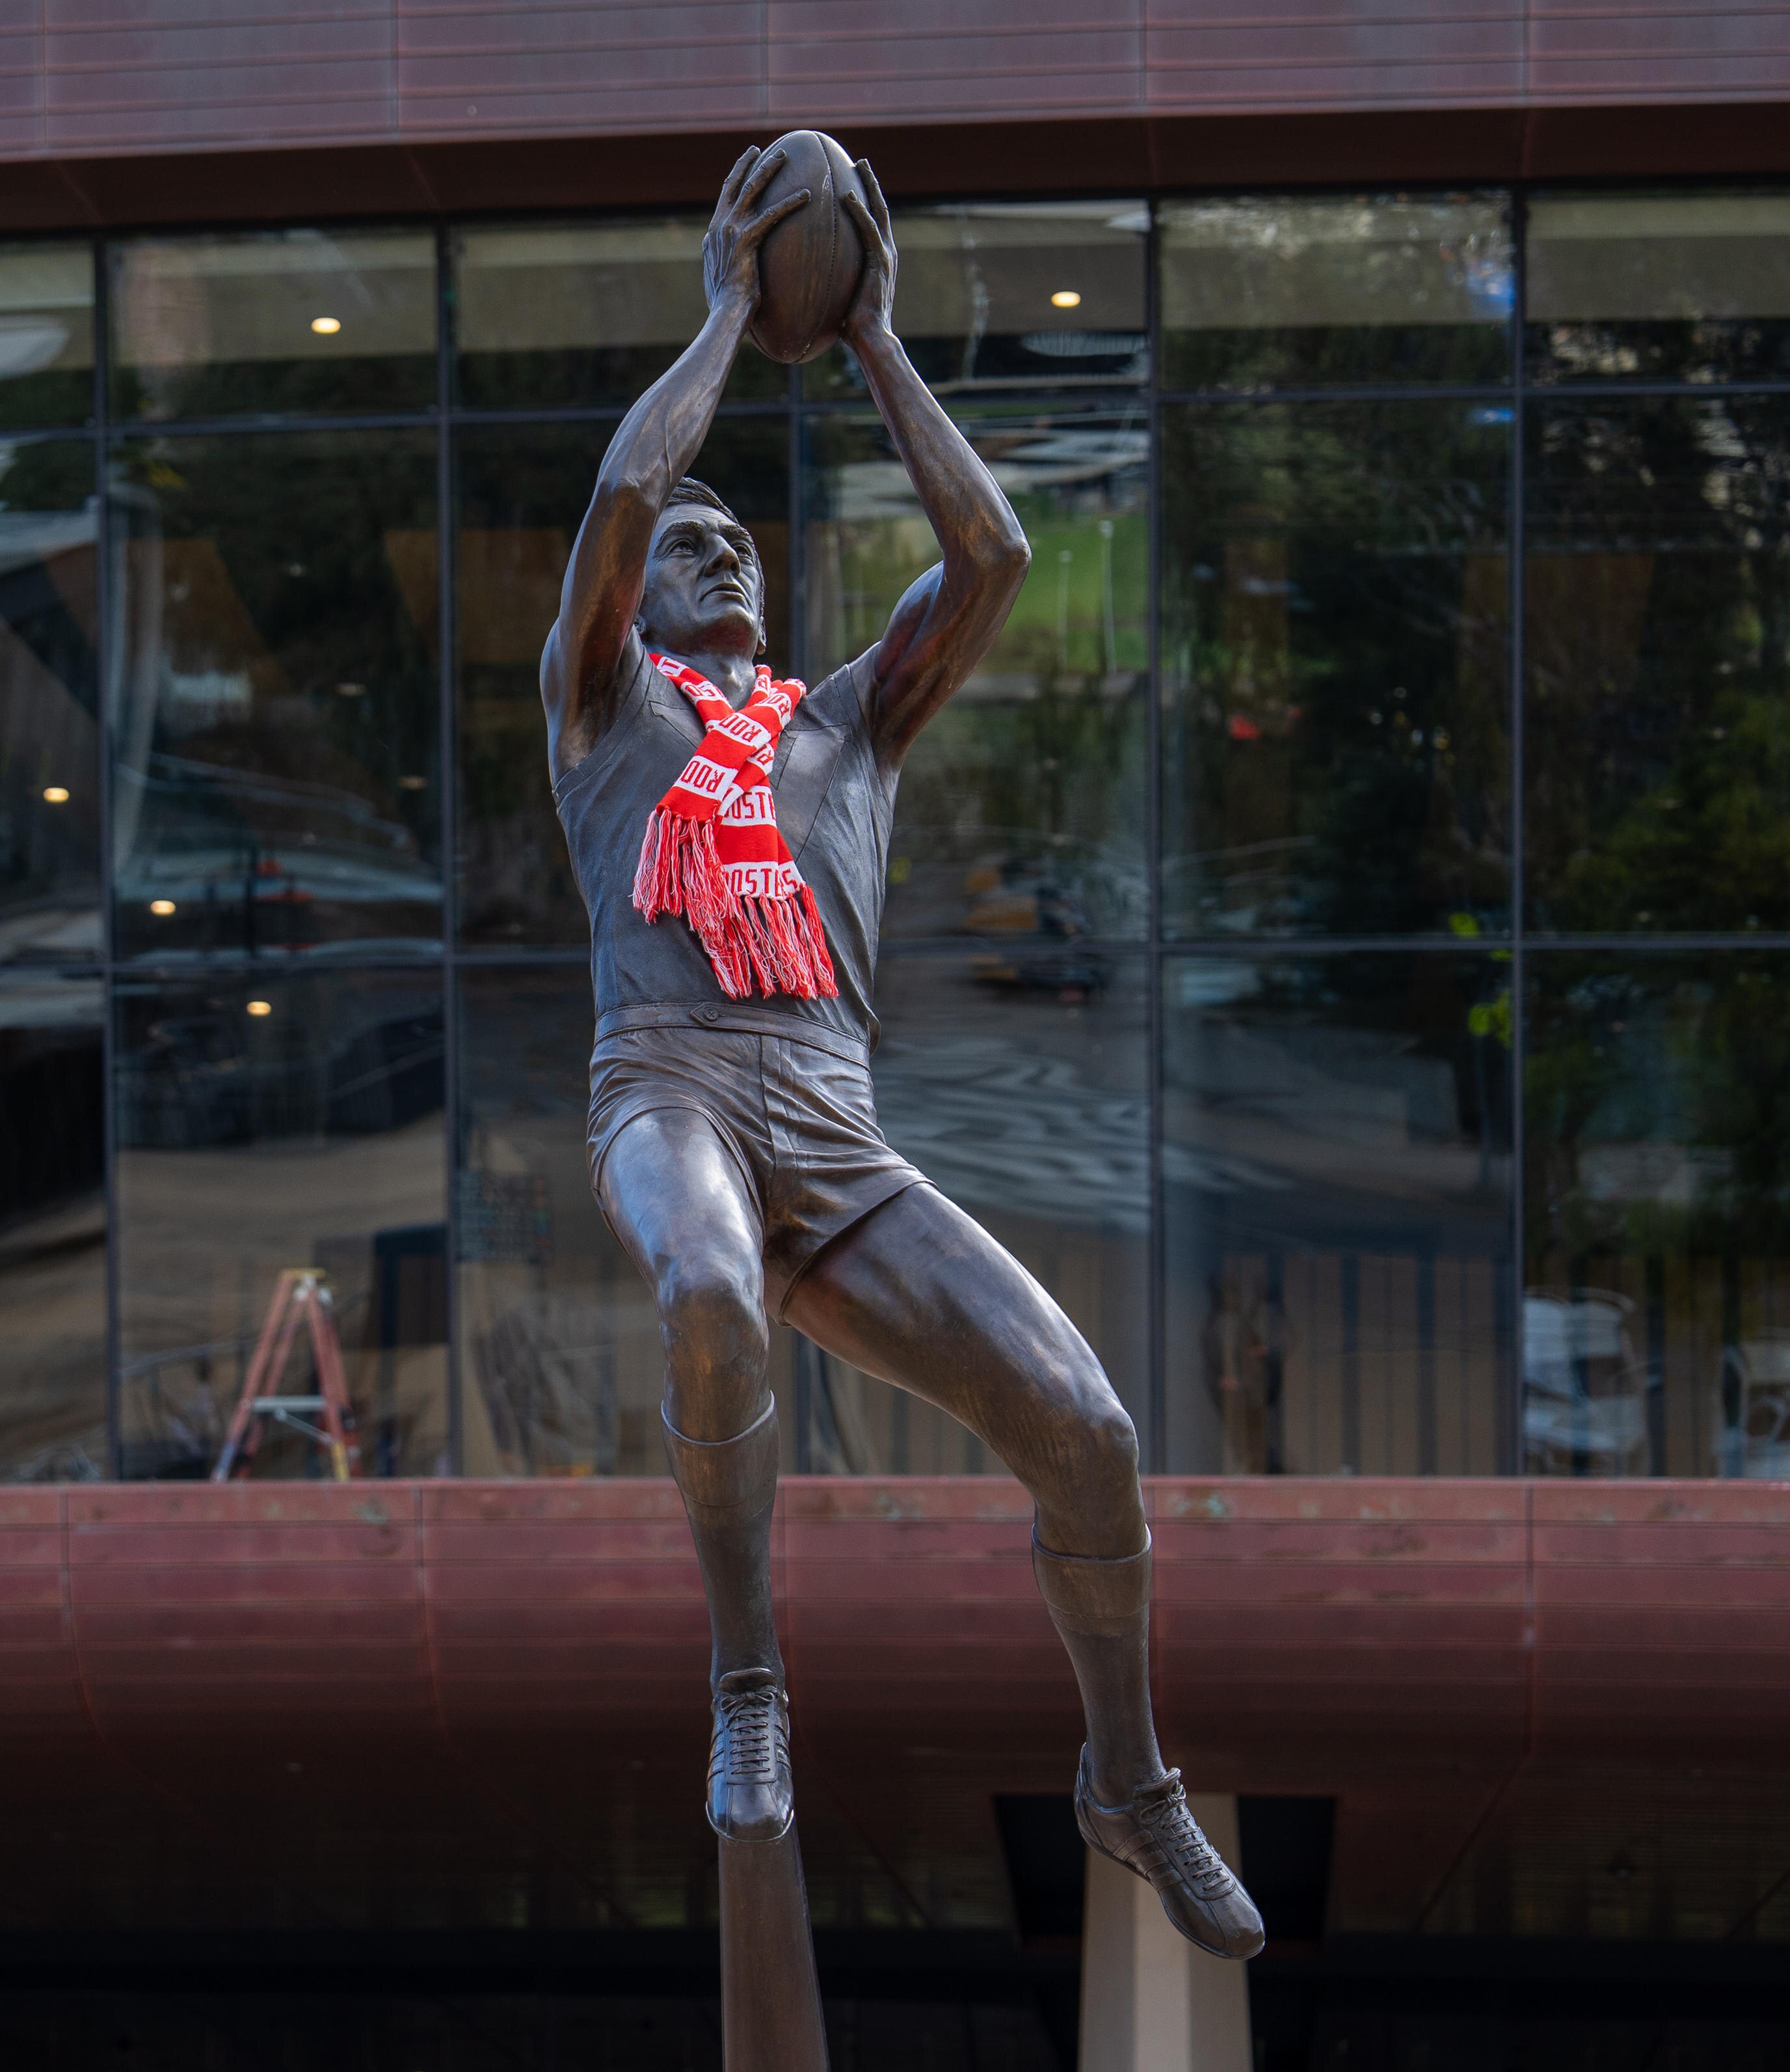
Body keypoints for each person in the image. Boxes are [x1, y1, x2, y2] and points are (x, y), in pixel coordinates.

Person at [538, 142, 1263, 1961]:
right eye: (690, 547)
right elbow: (633, 486)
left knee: (1091, 1436)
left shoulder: (849, 729)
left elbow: (996, 551)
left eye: (740, 545)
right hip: (673, 1084)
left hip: (842, 1137)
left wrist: (865, 333)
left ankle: (1129, 1780)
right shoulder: (603, 704)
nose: (713, 550)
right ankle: (752, 1682)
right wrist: (726, 310)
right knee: (706, 1288)